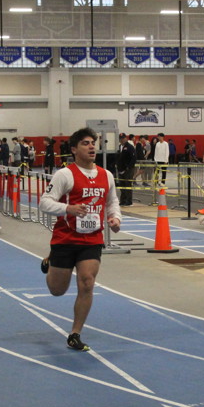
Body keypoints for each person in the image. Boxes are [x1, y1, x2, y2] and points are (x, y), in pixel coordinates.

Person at [38, 127, 122, 352]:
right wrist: (68, 208)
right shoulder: (65, 175)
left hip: (92, 239)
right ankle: (50, 260)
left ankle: (75, 333)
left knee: (87, 282)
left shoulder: (106, 175)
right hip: (65, 238)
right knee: (57, 290)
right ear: (74, 149)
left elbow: (112, 201)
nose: (92, 146)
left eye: (93, 143)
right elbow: (44, 202)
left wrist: (115, 218)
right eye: (85, 143)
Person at [116, 133, 135, 206]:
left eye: (123, 138)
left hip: (128, 170)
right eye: (120, 139)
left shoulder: (130, 147)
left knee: (128, 185)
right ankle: (123, 200)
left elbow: (133, 158)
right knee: (122, 185)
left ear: (126, 138)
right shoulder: (119, 147)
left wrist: (128, 167)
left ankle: (128, 200)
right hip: (120, 169)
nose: (122, 140)